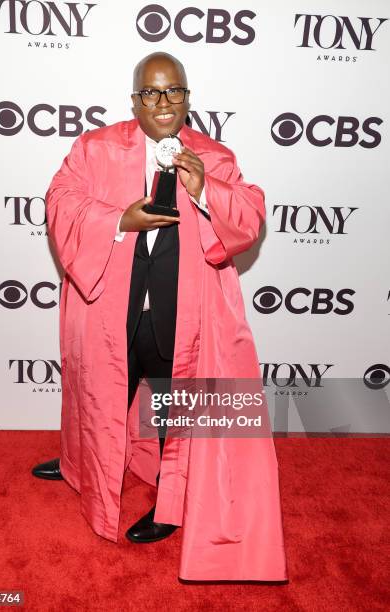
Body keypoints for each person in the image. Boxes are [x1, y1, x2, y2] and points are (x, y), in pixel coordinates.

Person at [32, 52, 287, 581]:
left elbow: (249, 214)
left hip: (179, 318)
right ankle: (82, 464)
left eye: (173, 92)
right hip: (110, 309)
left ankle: (168, 506)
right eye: (150, 93)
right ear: (134, 101)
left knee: (177, 413)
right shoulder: (95, 147)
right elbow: (61, 199)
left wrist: (203, 191)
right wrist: (118, 220)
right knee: (97, 394)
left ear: (188, 99)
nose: (163, 103)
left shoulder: (213, 155)